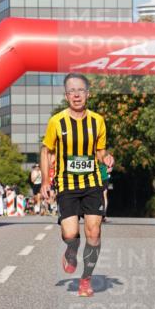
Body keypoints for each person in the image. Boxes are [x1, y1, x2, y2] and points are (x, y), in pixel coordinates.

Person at [40, 73, 115, 297]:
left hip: (92, 182)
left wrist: (107, 158)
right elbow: (47, 151)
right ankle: (71, 250)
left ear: (87, 94)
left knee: (94, 232)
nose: (76, 94)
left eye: (80, 90)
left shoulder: (97, 121)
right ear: (66, 96)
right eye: (71, 91)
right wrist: (45, 180)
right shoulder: (57, 121)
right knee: (71, 233)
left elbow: (100, 151)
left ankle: (86, 279)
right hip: (66, 183)